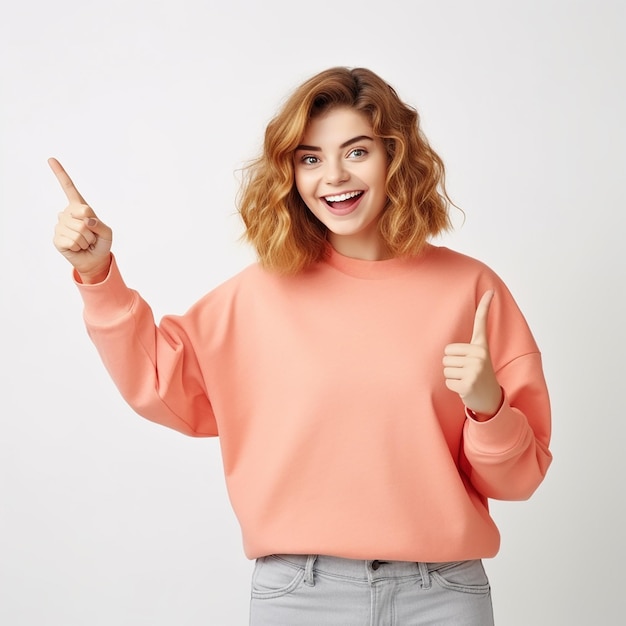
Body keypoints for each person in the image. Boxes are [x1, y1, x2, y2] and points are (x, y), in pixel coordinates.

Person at [51, 66, 552, 625]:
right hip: (302, 594)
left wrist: (489, 408)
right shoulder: (259, 294)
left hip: (442, 594)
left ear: (395, 157)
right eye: (310, 158)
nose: (333, 176)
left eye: (356, 152)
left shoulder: (472, 290)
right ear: (290, 173)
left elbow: (519, 479)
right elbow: (161, 384)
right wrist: (98, 275)